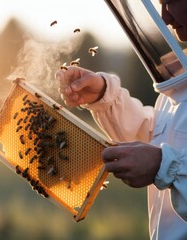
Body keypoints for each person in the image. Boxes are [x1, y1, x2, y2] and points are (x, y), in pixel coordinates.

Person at [55, 0, 187, 239]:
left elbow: (164, 157)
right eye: (160, 3)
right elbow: (157, 136)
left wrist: (164, 165)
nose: (165, 17)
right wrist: (104, 95)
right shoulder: (181, 78)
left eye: (173, 1)